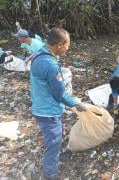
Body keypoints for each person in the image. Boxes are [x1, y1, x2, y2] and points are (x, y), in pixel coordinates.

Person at [30, 27, 86, 180]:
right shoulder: (50, 65)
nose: (68, 48)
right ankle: (51, 174)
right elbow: (59, 94)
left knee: (52, 139)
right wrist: (76, 104)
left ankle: (51, 165)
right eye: (67, 45)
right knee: (54, 143)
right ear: (60, 44)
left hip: (39, 106)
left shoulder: (38, 55)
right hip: (48, 112)